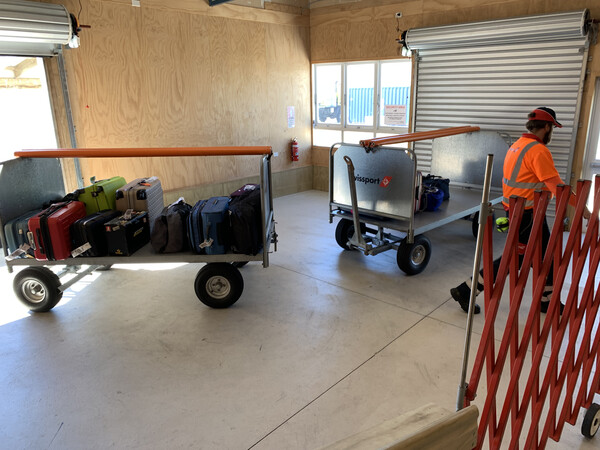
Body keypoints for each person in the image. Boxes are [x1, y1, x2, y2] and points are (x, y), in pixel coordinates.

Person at [451, 107, 590, 314]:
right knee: (514, 259)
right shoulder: (538, 150)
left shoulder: (517, 145)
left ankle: (546, 300)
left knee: (546, 256)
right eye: (552, 128)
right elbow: (558, 188)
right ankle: (467, 290)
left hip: (521, 212)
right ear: (546, 127)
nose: (551, 132)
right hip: (527, 215)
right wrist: (586, 211)